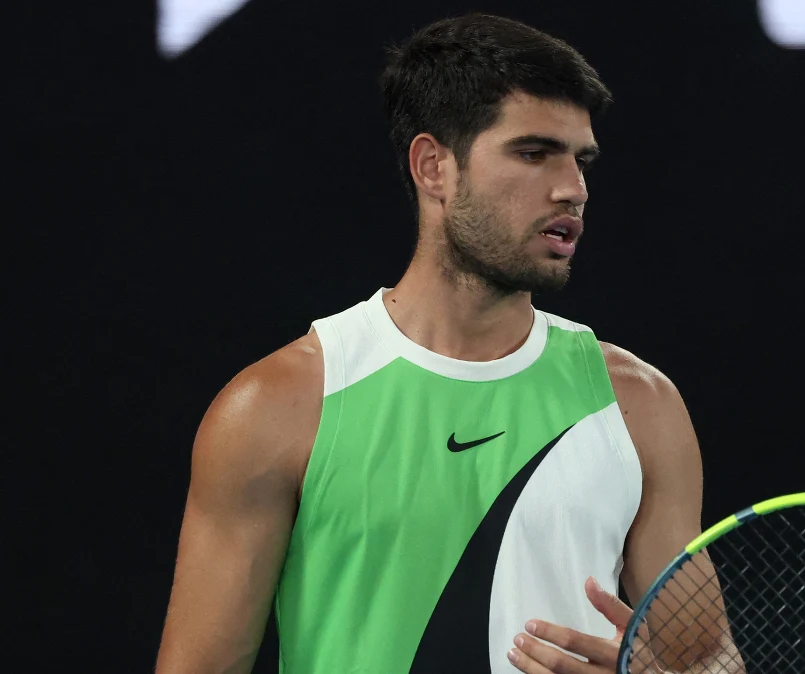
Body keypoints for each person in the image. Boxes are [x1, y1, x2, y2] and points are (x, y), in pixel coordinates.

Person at [155, 13, 724, 674]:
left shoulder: (640, 407)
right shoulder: (276, 407)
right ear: (434, 167)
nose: (573, 188)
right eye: (534, 152)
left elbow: (708, 660)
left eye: (580, 159)